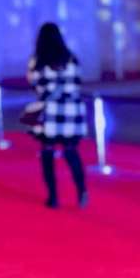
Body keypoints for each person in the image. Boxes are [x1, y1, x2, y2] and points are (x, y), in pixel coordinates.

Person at [27, 22, 88, 208]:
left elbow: (35, 85)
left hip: (50, 111)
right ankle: (81, 191)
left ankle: (53, 196)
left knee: (47, 152)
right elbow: (78, 82)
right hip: (71, 110)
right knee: (71, 151)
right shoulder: (71, 58)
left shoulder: (37, 61)